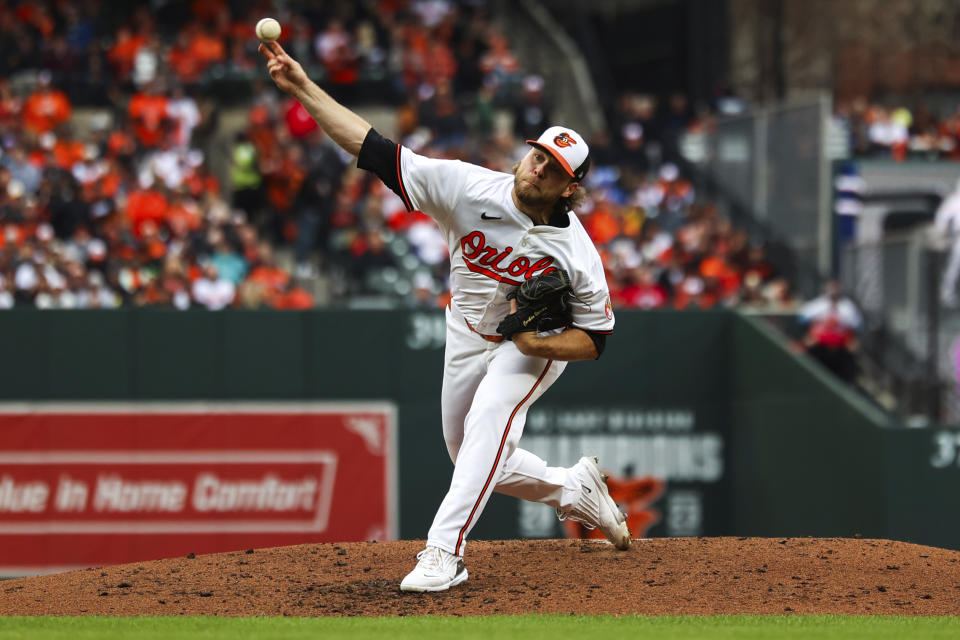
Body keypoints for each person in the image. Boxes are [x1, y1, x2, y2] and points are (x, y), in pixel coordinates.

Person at [260, 40, 628, 593]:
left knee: (488, 423)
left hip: (532, 346)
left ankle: (443, 552)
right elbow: (373, 149)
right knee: (466, 453)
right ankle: (572, 490)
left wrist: (534, 346)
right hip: (465, 330)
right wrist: (303, 87)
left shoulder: (577, 254)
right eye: (537, 155)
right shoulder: (467, 187)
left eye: (552, 169)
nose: (537, 169)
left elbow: (596, 339)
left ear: (569, 188)